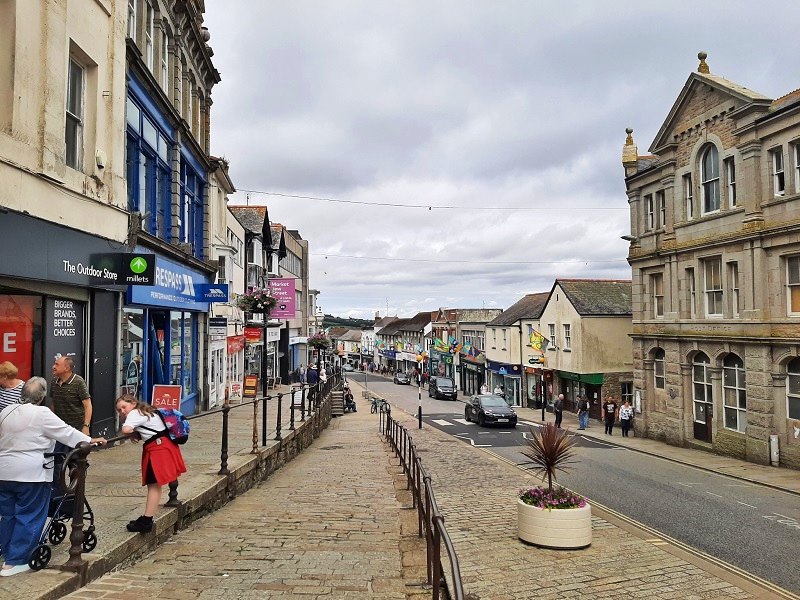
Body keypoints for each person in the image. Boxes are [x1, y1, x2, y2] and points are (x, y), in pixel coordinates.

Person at [0, 377, 105, 576]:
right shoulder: (42, 413)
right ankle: (17, 561)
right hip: (31, 472)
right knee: (29, 514)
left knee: (8, 515)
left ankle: (7, 553)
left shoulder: (7, 411)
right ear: (42, 396)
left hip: (5, 470)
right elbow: (66, 433)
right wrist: (90, 440)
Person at [115, 394, 187, 533]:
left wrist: (132, 431)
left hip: (157, 450)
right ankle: (146, 518)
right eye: (119, 410)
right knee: (155, 484)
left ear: (133, 403)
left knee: (153, 485)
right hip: (164, 446)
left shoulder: (135, 412)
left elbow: (126, 429)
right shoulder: (147, 411)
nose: (123, 411)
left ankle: (146, 521)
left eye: (124, 407)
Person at [50, 356, 92, 437]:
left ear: (66, 368)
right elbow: (53, 403)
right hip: (60, 428)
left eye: (57, 365)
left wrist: (86, 426)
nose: (53, 367)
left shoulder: (78, 382)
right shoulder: (54, 381)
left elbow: (87, 405)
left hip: (77, 429)